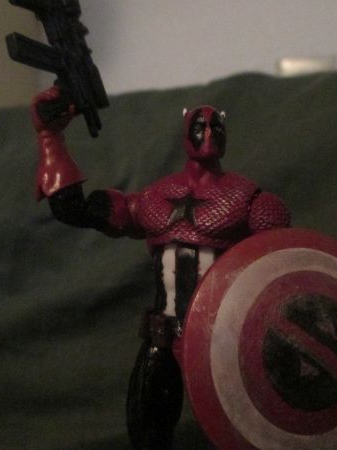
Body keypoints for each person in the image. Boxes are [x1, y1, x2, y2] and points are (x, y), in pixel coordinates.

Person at [31, 86, 291, 450]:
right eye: (199, 125)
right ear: (185, 132)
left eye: (215, 126)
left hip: (225, 336)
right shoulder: (153, 199)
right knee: (148, 429)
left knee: (247, 426)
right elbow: (74, 209)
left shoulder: (250, 201)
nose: (208, 131)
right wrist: (51, 138)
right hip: (164, 337)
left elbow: (283, 267)